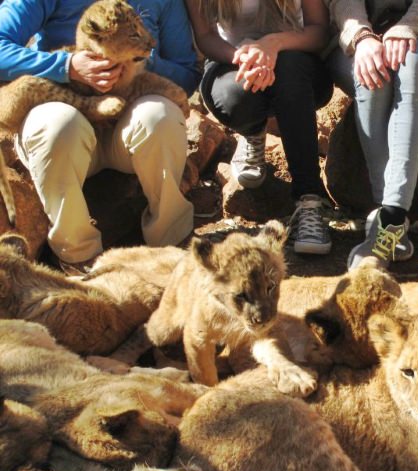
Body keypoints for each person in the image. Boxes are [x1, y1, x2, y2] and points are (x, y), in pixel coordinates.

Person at [0, 0, 200, 275]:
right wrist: (67, 66)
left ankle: (173, 244)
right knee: (58, 125)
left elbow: (187, 73)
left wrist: (136, 57)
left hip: (127, 131)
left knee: (160, 116)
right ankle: (79, 257)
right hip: (68, 120)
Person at [187, 0, 335, 255]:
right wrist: (243, 57)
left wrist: (273, 44)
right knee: (234, 97)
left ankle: (309, 200)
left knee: (290, 73)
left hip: (295, 55)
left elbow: (319, 31)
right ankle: (253, 132)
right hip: (232, 58)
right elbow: (205, 36)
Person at [326, 0, 418, 269]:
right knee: (371, 74)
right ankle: (389, 221)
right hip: (359, 35)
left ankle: (391, 219)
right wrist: (361, 37)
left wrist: (409, 26)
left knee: (413, 65)